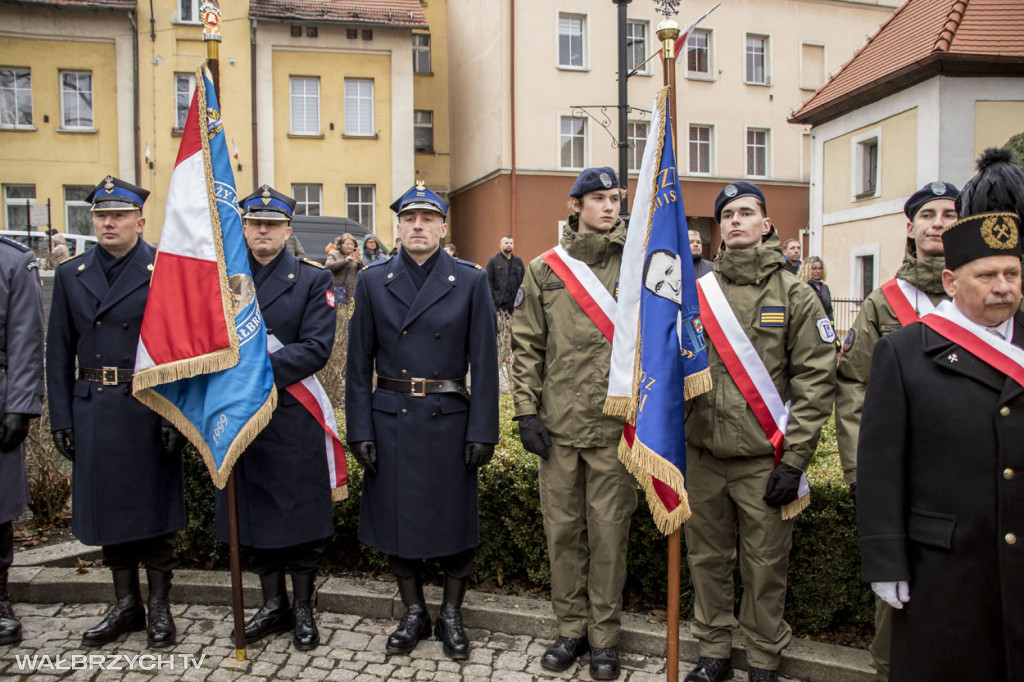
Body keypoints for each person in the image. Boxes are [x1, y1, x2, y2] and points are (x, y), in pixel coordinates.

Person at [857, 155, 1024, 679]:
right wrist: (885, 561)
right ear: (952, 281)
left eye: (1013, 274)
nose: (1002, 287)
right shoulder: (905, 352)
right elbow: (881, 462)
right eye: (987, 275)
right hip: (945, 565)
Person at [683, 182, 836, 682]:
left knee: (765, 566)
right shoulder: (696, 291)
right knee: (706, 559)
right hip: (703, 456)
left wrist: (794, 461)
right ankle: (714, 651)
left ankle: (765, 658)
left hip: (763, 459)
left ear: (766, 224)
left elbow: (816, 381)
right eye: (726, 214)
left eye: (746, 212)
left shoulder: (796, 294)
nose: (735, 221)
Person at [345, 181, 499, 661]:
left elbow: (486, 365)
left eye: (428, 219)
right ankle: (413, 611)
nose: (418, 226)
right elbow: (356, 365)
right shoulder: (372, 281)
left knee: (455, 523)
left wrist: (482, 430)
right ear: (397, 226)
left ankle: (451, 613)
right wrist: (360, 429)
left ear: (442, 226)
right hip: (391, 418)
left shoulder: (470, 280)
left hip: (448, 419)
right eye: (410, 218)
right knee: (396, 523)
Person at [46, 175, 186, 648]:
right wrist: (62, 418)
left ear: (140, 221)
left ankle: (161, 606)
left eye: (119, 215)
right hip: (96, 409)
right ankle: (126, 603)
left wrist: (176, 415)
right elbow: (58, 351)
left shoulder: (164, 269)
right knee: (110, 512)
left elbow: (180, 350)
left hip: (148, 407)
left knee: (156, 512)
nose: (109, 222)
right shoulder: (72, 273)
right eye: (102, 215)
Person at [511, 166, 637, 681]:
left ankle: (604, 637)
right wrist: (525, 411)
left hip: (613, 431)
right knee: (562, 535)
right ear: (575, 204)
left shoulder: (636, 266)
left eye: (615, 199)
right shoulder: (544, 270)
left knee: (609, 539)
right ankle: (570, 630)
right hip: (559, 431)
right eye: (599, 199)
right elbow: (527, 348)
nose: (609, 207)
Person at [834, 179, 958, 681]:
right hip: (903, 475)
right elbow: (854, 389)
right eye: (928, 215)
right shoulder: (885, 303)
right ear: (910, 228)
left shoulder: (989, 294)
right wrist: (862, 472)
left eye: (950, 214)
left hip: (965, 471)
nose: (939, 224)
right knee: (896, 597)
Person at [214, 185, 336, 651]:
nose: (262, 231)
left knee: (300, 518)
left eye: (272, 224)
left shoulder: (312, 279)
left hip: (291, 413)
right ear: (243, 227)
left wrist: (251, 375)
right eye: (254, 223)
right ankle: (272, 604)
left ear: (288, 229)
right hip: (240, 419)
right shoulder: (224, 279)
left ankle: (303, 608)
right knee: (255, 516)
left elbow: (314, 349)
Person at [0, 236, 44, 646]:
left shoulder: (12, 259)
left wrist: (21, 405)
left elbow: (26, 339)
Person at [485, 235, 525, 317]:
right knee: (500, 327)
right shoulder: (493, 260)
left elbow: (524, 280)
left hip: (515, 302)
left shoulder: (518, 261)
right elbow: (488, 281)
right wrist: (492, 299)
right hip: (499, 302)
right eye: (506, 243)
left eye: (511, 243)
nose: (509, 245)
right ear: (500, 245)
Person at [325, 233, 363, 305]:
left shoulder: (356, 256)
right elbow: (329, 265)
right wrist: (345, 261)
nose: (350, 246)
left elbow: (364, 272)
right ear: (341, 245)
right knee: (339, 314)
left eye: (352, 244)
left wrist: (361, 262)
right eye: (347, 244)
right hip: (338, 291)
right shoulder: (334, 254)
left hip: (352, 292)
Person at [799, 256, 834, 322]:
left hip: (824, 324)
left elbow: (829, 310)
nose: (817, 271)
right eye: (814, 269)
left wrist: (831, 325)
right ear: (807, 270)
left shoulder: (824, 288)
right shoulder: (803, 287)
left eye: (819, 268)